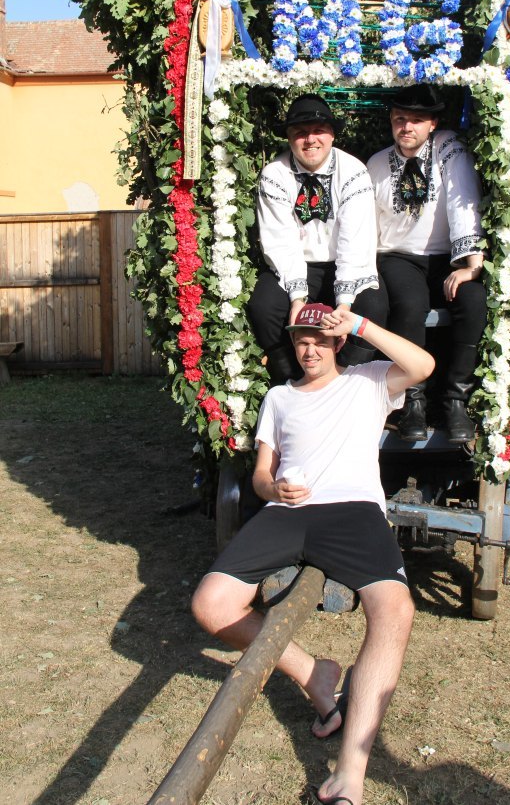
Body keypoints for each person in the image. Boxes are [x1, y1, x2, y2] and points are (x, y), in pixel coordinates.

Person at [192, 303, 435, 805]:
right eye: (302, 340)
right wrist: (272, 489)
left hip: (353, 511)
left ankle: (350, 771)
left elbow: (423, 366)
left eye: (320, 341)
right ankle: (313, 674)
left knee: (396, 610)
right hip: (288, 512)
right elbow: (261, 475)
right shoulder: (279, 397)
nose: (310, 350)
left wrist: (360, 325)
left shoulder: (369, 382)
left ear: (337, 343)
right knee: (210, 605)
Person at [366, 84, 487, 443]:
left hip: (446, 258)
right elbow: (367, 222)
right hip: (398, 256)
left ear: (433, 123)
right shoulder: (376, 164)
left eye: (417, 120)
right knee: (408, 302)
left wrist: (471, 265)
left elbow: (464, 201)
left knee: (474, 300)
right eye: (399, 119)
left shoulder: (449, 149)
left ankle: (455, 400)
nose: (407, 127)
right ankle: (412, 401)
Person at [247, 93, 386, 384]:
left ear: (332, 134)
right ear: (289, 138)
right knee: (264, 307)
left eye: (318, 130)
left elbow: (354, 241)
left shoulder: (354, 171)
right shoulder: (274, 175)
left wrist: (344, 304)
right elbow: (280, 240)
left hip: (347, 264)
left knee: (373, 307)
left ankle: (346, 384)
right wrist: (297, 299)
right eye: (300, 132)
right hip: (296, 266)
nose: (310, 139)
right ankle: (292, 382)